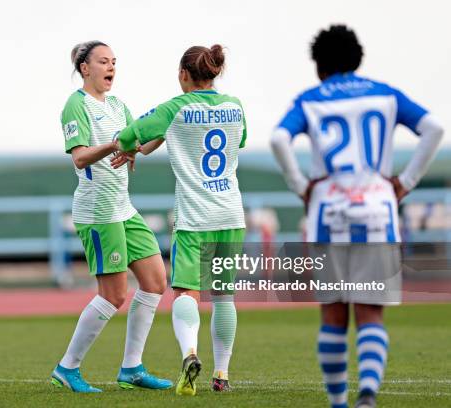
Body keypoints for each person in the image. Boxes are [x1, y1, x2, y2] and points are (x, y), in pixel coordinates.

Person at [270, 25, 443, 408]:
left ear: (319, 66)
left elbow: (280, 139)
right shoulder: (385, 94)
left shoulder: (311, 98)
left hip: (327, 211)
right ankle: (367, 393)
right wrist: (406, 180)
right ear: (358, 59)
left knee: (333, 314)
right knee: (370, 313)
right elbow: (433, 128)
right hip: (378, 211)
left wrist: (301, 185)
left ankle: (338, 403)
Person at [116, 44, 247, 395]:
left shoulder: (175, 108)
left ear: (183, 75)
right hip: (231, 214)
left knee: (186, 292)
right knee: (223, 296)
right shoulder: (235, 107)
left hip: (195, 217)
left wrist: (132, 146)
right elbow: (240, 141)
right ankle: (222, 375)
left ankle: (190, 353)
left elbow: (128, 136)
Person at [51, 41, 172, 393]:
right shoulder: (76, 105)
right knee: (114, 294)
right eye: (104, 61)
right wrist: (115, 144)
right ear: (85, 68)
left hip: (123, 208)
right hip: (98, 212)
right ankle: (67, 368)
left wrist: (164, 128)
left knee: (155, 281)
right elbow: (79, 157)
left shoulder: (118, 106)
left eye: (114, 62)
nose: (111, 68)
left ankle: (132, 368)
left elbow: (139, 145)